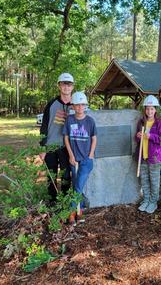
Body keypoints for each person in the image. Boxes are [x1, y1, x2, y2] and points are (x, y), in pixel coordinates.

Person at [39, 73, 74, 202]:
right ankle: (52, 201)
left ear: (72, 87)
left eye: (69, 84)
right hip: (51, 145)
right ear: (59, 85)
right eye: (64, 84)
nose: (66, 87)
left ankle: (64, 201)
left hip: (67, 147)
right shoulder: (51, 104)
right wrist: (43, 147)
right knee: (51, 175)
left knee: (66, 175)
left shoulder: (76, 105)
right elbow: (43, 126)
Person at [63, 92, 97, 224]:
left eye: (82, 105)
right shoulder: (70, 120)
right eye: (77, 105)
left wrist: (90, 155)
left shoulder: (90, 121)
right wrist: (71, 156)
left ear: (85, 106)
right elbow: (66, 138)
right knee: (77, 186)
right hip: (74, 160)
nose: (79, 107)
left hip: (86, 161)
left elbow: (94, 138)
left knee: (78, 186)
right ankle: (80, 210)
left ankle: (71, 212)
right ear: (73, 106)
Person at [135, 95, 161, 214]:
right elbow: (137, 138)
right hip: (142, 157)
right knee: (144, 180)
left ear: (155, 110)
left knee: (154, 181)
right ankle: (146, 200)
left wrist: (151, 137)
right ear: (145, 109)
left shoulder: (159, 123)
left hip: (155, 157)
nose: (149, 111)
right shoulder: (141, 122)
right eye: (147, 109)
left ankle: (153, 202)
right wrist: (138, 136)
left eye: (152, 109)